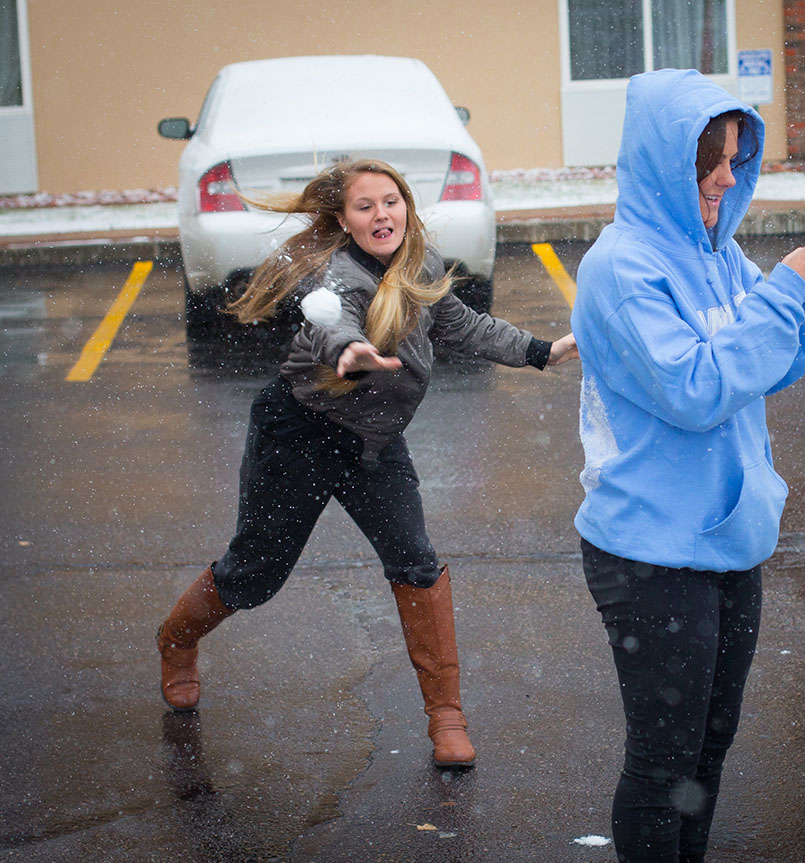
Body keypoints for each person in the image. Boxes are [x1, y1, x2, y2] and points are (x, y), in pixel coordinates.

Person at [156, 158, 578, 769]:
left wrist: (544, 352)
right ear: (344, 220)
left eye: (390, 201)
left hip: (374, 444)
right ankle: (175, 640)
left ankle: (446, 717)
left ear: (406, 205)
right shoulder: (334, 278)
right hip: (298, 434)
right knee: (255, 572)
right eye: (365, 206)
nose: (382, 215)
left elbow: (462, 326)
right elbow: (333, 322)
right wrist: (350, 347)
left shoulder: (420, 266)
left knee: (416, 562)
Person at [570, 69, 805, 862]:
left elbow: (763, 368)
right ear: (662, 161)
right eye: (710, 156)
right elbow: (697, 388)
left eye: (736, 156)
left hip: (729, 539)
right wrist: (785, 289)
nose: (725, 175)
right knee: (662, 758)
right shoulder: (621, 268)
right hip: (649, 552)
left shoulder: (721, 253)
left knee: (707, 751)